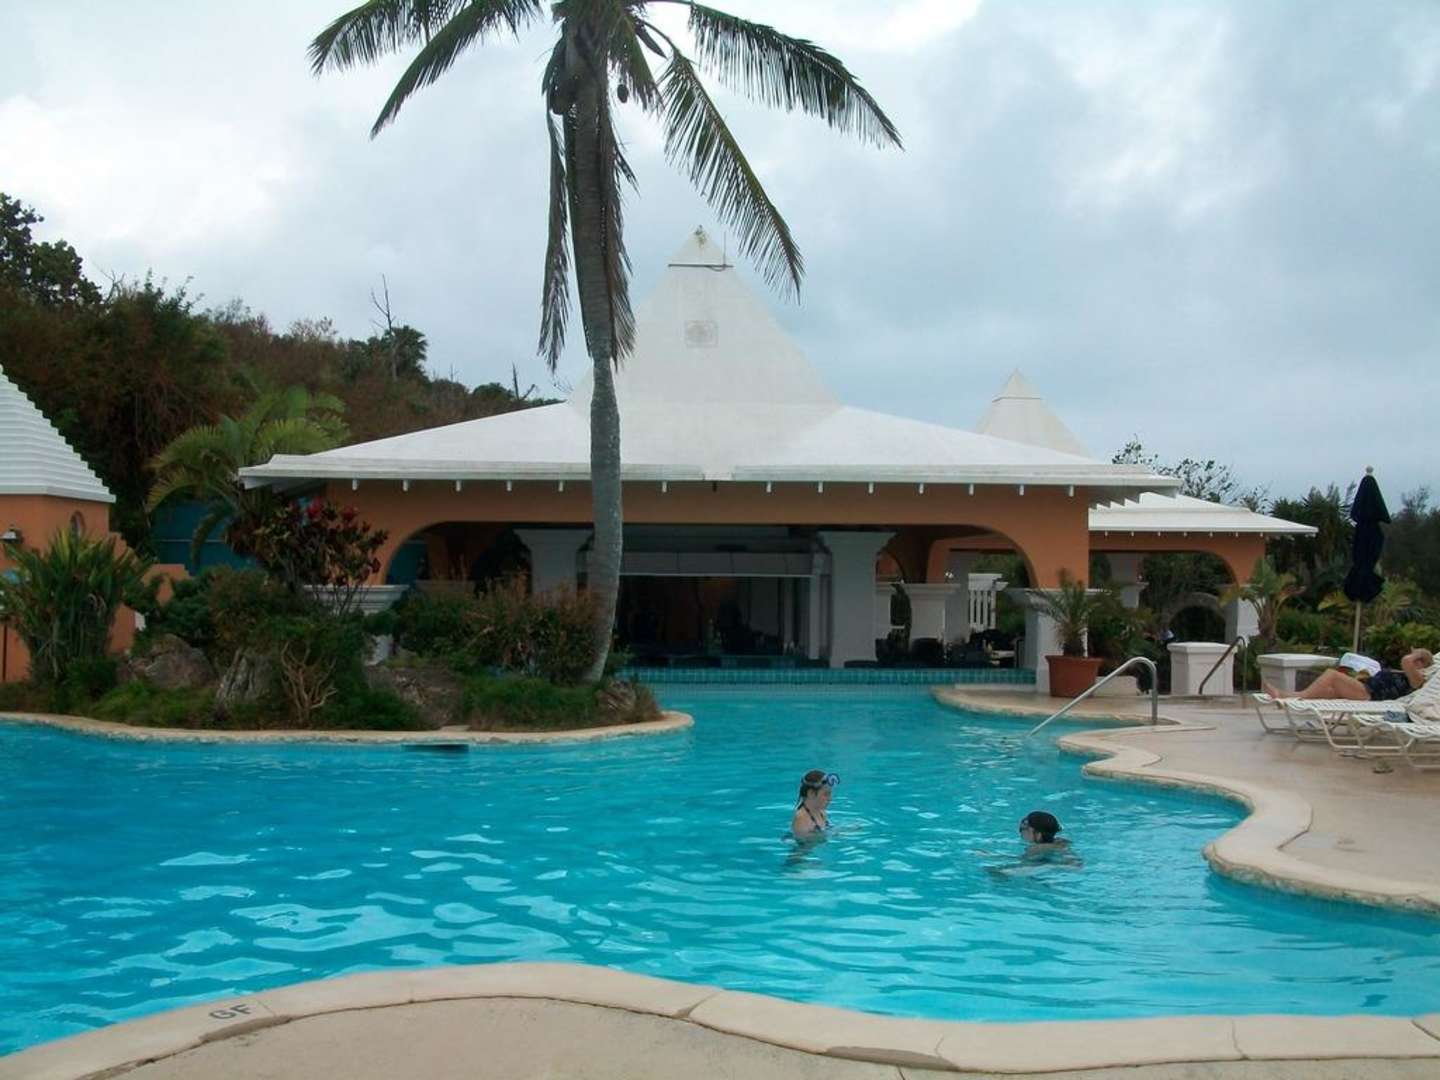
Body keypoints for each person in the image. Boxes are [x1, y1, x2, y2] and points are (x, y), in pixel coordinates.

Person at [1265, 648, 1433, 703]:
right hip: (1366, 688)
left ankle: (1298, 696)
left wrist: (1419, 653)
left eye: (1416, 659)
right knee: (1328, 692)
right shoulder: (1408, 674)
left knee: (1331, 675)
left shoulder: (1419, 680)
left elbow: (1406, 661)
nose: (1412, 659)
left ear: (1420, 663)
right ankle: (1284, 695)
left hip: (1369, 694)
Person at [791, 770, 838, 839]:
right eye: (826, 794)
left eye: (830, 794)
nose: (830, 798)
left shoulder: (821, 812)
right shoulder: (801, 818)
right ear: (811, 794)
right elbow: (804, 843)